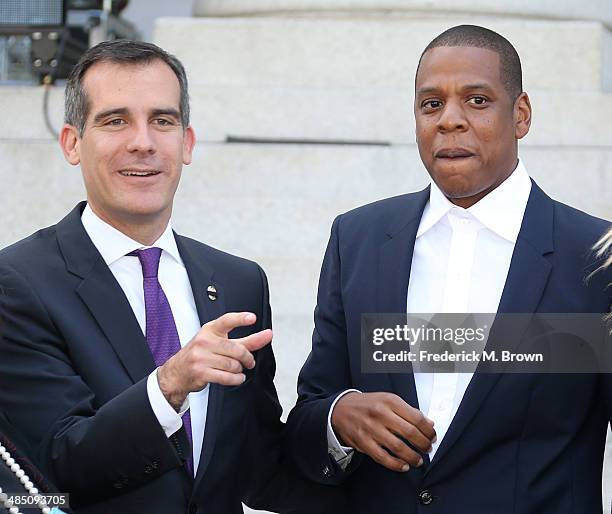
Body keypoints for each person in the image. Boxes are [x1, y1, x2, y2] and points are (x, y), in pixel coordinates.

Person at [0, 40, 343, 514]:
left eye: (162, 120)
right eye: (115, 120)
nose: (142, 142)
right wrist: (168, 387)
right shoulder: (17, 282)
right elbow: (58, 466)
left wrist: (341, 430)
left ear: (187, 143)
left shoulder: (238, 283)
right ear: (72, 143)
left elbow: (258, 468)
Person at [285, 24, 612, 513]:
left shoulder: (596, 258)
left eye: (477, 101)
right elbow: (309, 416)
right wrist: (340, 417)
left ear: (520, 115)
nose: (449, 121)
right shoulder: (358, 240)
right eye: (431, 104)